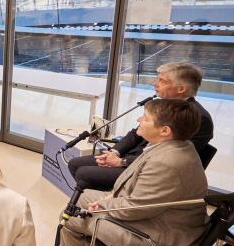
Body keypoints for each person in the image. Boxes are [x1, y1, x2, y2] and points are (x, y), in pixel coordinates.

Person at [49, 99, 209, 246]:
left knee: (71, 216)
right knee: (81, 197)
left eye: (146, 118)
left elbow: (134, 209)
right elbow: (142, 197)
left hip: (157, 240)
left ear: (165, 130)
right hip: (159, 219)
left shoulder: (166, 163)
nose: (139, 119)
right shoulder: (178, 146)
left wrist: (104, 204)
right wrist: (109, 198)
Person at [68, 62, 214, 191]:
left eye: (162, 81)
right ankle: (106, 198)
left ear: (182, 89)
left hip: (149, 169)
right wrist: (115, 153)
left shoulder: (199, 118)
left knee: (84, 173)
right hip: (129, 157)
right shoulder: (162, 105)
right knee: (75, 164)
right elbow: (135, 133)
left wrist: (121, 162)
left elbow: (173, 157)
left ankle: (110, 200)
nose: (154, 84)